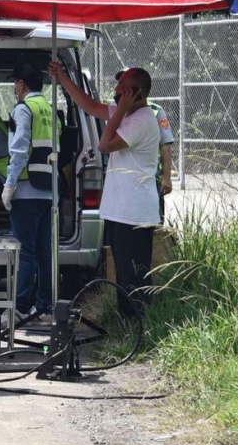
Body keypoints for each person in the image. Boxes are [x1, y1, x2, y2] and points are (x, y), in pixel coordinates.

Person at [50, 61, 162, 313]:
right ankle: (127, 322)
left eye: (122, 87)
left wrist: (120, 110)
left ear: (137, 93)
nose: (116, 90)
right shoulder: (127, 114)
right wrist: (63, 78)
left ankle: (139, 322)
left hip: (133, 212)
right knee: (123, 272)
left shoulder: (141, 120)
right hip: (121, 211)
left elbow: (104, 144)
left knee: (134, 275)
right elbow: (89, 106)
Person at [5, 62, 56, 322]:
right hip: (48, 190)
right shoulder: (50, 109)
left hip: (25, 189)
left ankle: (21, 307)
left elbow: (19, 149)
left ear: (21, 84)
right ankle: (45, 307)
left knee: (25, 251)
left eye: (16, 83)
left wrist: (9, 184)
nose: (15, 87)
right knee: (45, 251)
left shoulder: (24, 109)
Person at [113, 72, 175, 217]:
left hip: (149, 177)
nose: (118, 89)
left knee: (151, 222)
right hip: (124, 181)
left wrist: (167, 178)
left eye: (124, 85)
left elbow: (165, 146)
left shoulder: (155, 111)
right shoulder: (117, 110)